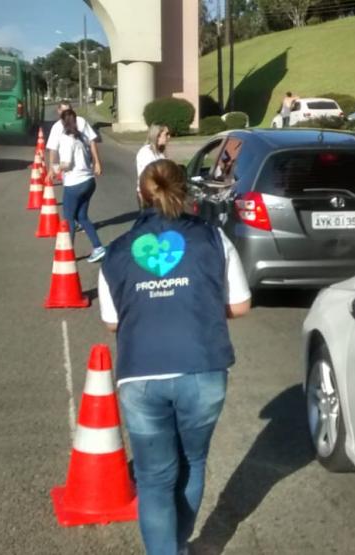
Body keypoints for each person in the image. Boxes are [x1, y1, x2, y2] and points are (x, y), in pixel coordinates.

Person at [98, 159, 251, 555]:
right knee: (192, 462)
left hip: (140, 374)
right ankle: (180, 545)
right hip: (202, 367)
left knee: (153, 477)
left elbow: (113, 324)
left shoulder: (115, 253)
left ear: (140, 194)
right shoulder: (215, 239)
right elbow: (241, 304)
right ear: (186, 193)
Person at [57, 109, 105, 262]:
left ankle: (67, 252)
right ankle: (98, 247)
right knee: (82, 216)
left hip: (74, 183)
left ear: (63, 122)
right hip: (88, 181)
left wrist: (56, 168)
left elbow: (67, 164)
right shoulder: (82, 136)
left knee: (69, 218)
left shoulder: (66, 139)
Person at [46, 101, 101, 184]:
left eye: (69, 111)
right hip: (70, 175)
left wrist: (97, 162)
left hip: (84, 172)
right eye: (64, 111)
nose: (66, 114)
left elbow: (92, 141)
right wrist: (51, 169)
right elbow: (53, 149)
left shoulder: (81, 122)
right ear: (59, 111)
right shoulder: (56, 128)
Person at [135, 124, 170, 206]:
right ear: (157, 136)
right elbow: (149, 176)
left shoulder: (160, 153)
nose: (169, 137)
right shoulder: (146, 153)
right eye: (166, 134)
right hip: (148, 195)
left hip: (158, 194)